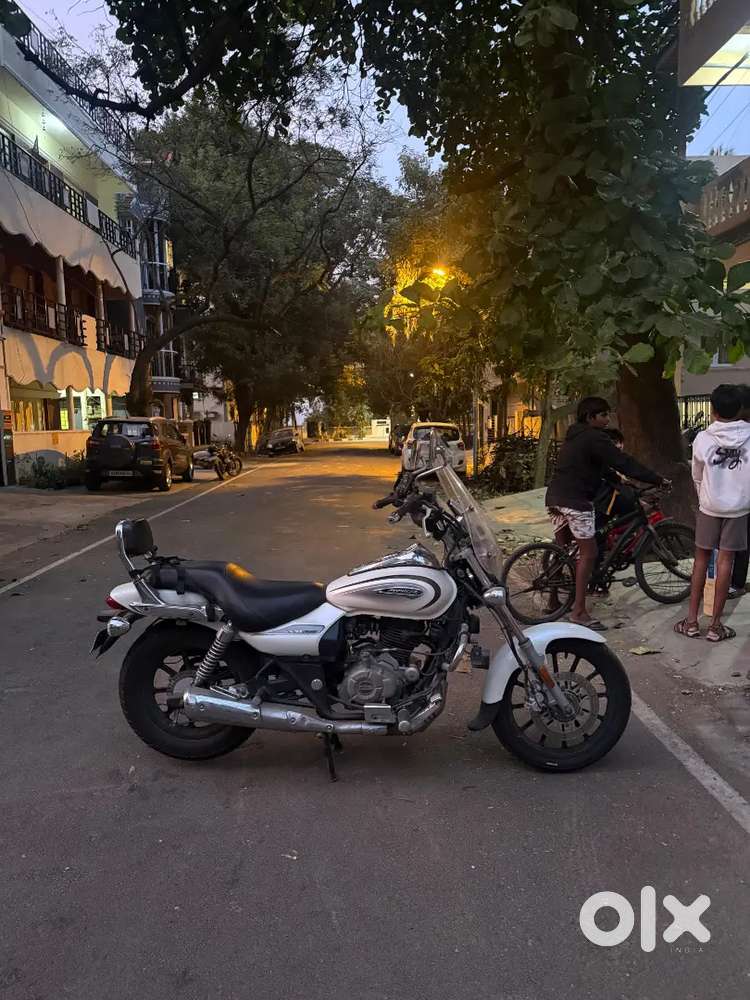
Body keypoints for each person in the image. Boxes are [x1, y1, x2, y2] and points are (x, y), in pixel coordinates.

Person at [546, 397, 667, 629]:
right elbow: (623, 462)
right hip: (575, 501)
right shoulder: (595, 437)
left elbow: (601, 468)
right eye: (603, 415)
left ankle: (553, 601)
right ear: (590, 417)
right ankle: (579, 611)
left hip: (555, 498)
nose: (607, 419)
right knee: (589, 553)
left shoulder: (575, 436)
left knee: (563, 551)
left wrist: (622, 482)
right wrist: (656, 479)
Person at [675, 383, 750, 642]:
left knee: (701, 560)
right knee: (725, 562)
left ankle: (691, 622)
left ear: (713, 410)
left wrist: (705, 497)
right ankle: (716, 626)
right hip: (738, 508)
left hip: (709, 506)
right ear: (740, 409)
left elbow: (696, 474)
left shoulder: (704, 438)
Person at [729, 384, 750, 597]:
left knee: (738, 545)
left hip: (735, 499)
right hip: (739, 498)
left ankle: (735, 583)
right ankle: (736, 583)